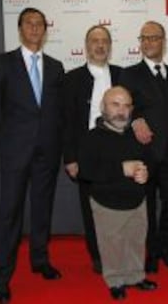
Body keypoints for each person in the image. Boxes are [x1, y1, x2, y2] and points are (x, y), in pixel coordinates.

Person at [0, 7, 64, 303]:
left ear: (45, 30)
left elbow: (58, 112)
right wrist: (13, 136)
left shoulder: (56, 67)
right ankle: (1, 276)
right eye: (29, 23)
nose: (34, 28)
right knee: (9, 212)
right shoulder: (3, 63)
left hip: (48, 150)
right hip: (15, 150)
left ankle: (40, 260)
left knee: (42, 208)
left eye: (39, 24)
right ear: (20, 29)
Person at [77, 86, 157, 300]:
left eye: (126, 105)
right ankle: (115, 280)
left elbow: (147, 162)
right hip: (107, 202)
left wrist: (144, 173)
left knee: (136, 240)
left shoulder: (135, 136)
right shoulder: (91, 138)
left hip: (137, 201)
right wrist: (122, 169)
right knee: (112, 244)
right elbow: (86, 171)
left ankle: (136, 276)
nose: (121, 110)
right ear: (103, 107)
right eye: (115, 104)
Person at [118, 21, 168, 273]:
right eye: (143, 38)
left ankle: (165, 245)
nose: (147, 42)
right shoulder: (129, 73)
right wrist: (135, 120)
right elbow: (123, 107)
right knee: (146, 208)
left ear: (163, 41)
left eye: (153, 38)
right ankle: (152, 253)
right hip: (143, 153)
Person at [63, 25, 123, 274]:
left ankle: (119, 254)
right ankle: (98, 256)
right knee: (91, 209)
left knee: (119, 205)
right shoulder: (72, 78)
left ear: (110, 46)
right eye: (94, 41)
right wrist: (70, 158)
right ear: (87, 47)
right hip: (86, 154)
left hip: (119, 152)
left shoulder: (122, 74)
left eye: (104, 41)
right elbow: (66, 122)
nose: (100, 45)